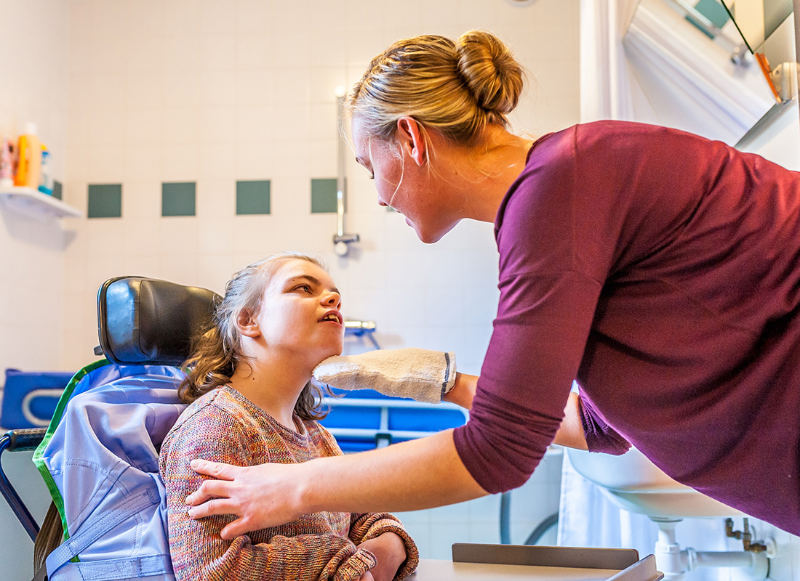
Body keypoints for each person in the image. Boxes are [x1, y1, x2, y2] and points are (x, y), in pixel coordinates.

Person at [183, 31, 800, 537]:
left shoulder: (560, 188)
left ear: (412, 138)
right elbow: (602, 426)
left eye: (371, 167)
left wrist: (288, 488)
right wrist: (447, 383)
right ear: (245, 324)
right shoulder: (559, 187)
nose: (375, 195)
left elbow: (501, 451)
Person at [159, 253, 418, 581]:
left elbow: (367, 518)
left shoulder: (315, 435)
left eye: (333, 292)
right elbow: (212, 572)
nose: (334, 298)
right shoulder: (216, 426)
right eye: (303, 288)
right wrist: (343, 562)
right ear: (249, 320)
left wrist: (386, 546)